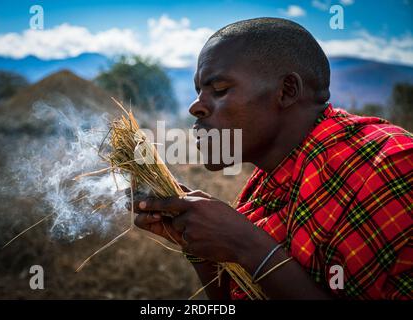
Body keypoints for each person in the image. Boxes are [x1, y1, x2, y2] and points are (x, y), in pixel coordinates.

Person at [134, 17, 413, 300]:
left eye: (219, 90)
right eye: (198, 92)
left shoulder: (390, 164)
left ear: (287, 90)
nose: (196, 107)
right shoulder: (263, 189)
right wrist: (199, 246)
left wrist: (246, 245)